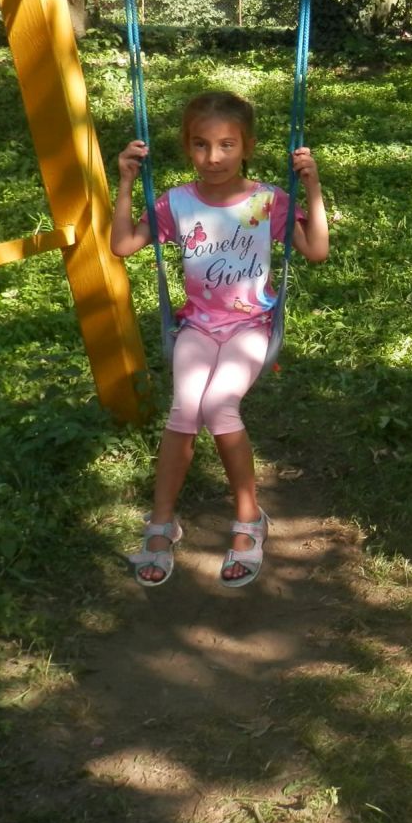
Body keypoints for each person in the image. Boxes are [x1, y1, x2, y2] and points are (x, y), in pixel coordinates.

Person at [111, 90, 329, 588]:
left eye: (227, 144)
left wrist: (312, 187)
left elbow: (316, 250)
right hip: (197, 325)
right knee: (184, 411)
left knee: (219, 407)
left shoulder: (268, 201)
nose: (213, 157)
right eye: (201, 144)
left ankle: (249, 519)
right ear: (186, 146)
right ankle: (162, 523)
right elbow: (122, 244)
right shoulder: (177, 202)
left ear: (247, 146)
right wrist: (125, 183)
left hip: (250, 327)